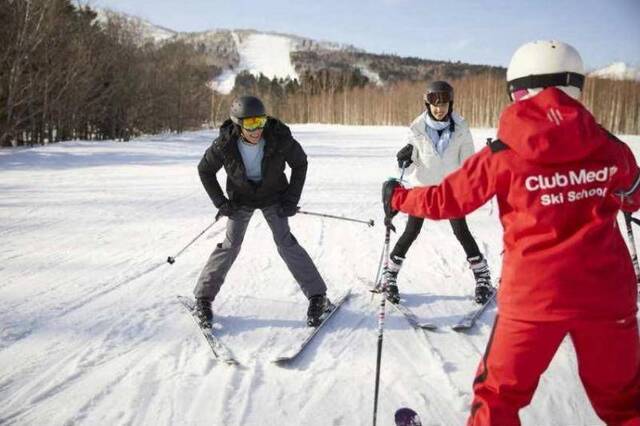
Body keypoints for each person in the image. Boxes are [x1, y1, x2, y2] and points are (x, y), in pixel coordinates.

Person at [382, 40, 640, 425]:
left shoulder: (503, 154)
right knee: (626, 403)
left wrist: (399, 197)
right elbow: (632, 196)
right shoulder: (611, 146)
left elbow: (447, 200)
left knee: (497, 400)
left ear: (520, 92)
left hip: (535, 298)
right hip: (607, 295)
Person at [194, 95, 331, 327]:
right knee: (231, 244)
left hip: (273, 196)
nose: (256, 129)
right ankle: (203, 299)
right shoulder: (225, 143)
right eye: (249, 124)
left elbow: (300, 163)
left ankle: (318, 296)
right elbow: (205, 170)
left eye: (260, 121)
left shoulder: (279, 137)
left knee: (285, 242)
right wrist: (221, 203)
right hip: (241, 199)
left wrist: (290, 199)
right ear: (238, 124)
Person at [381, 80, 493, 305]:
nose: (439, 108)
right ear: (427, 104)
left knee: (461, 232)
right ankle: (390, 275)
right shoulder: (416, 129)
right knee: (411, 232)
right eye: (434, 104)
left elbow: (468, 162)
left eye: (443, 104)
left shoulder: (461, 127)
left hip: (450, 190)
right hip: (422, 190)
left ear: (450, 104)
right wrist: (404, 158)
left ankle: (483, 277)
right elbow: (410, 167)